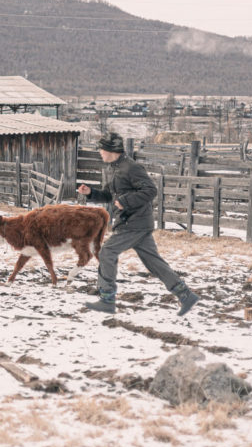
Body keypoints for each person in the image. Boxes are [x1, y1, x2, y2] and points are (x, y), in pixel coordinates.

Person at [77, 132, 200, 316]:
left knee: (107, 252)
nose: (100, 152)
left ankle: (107, 299)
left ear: (112, 150)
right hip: (134, 222)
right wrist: (91, 193)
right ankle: (185, 295)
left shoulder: (131, 167)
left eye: (101, 149)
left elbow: (151, 190)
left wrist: (126, 202)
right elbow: (110, 196)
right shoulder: (114, 168)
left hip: (134, 222)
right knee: (153, 262)